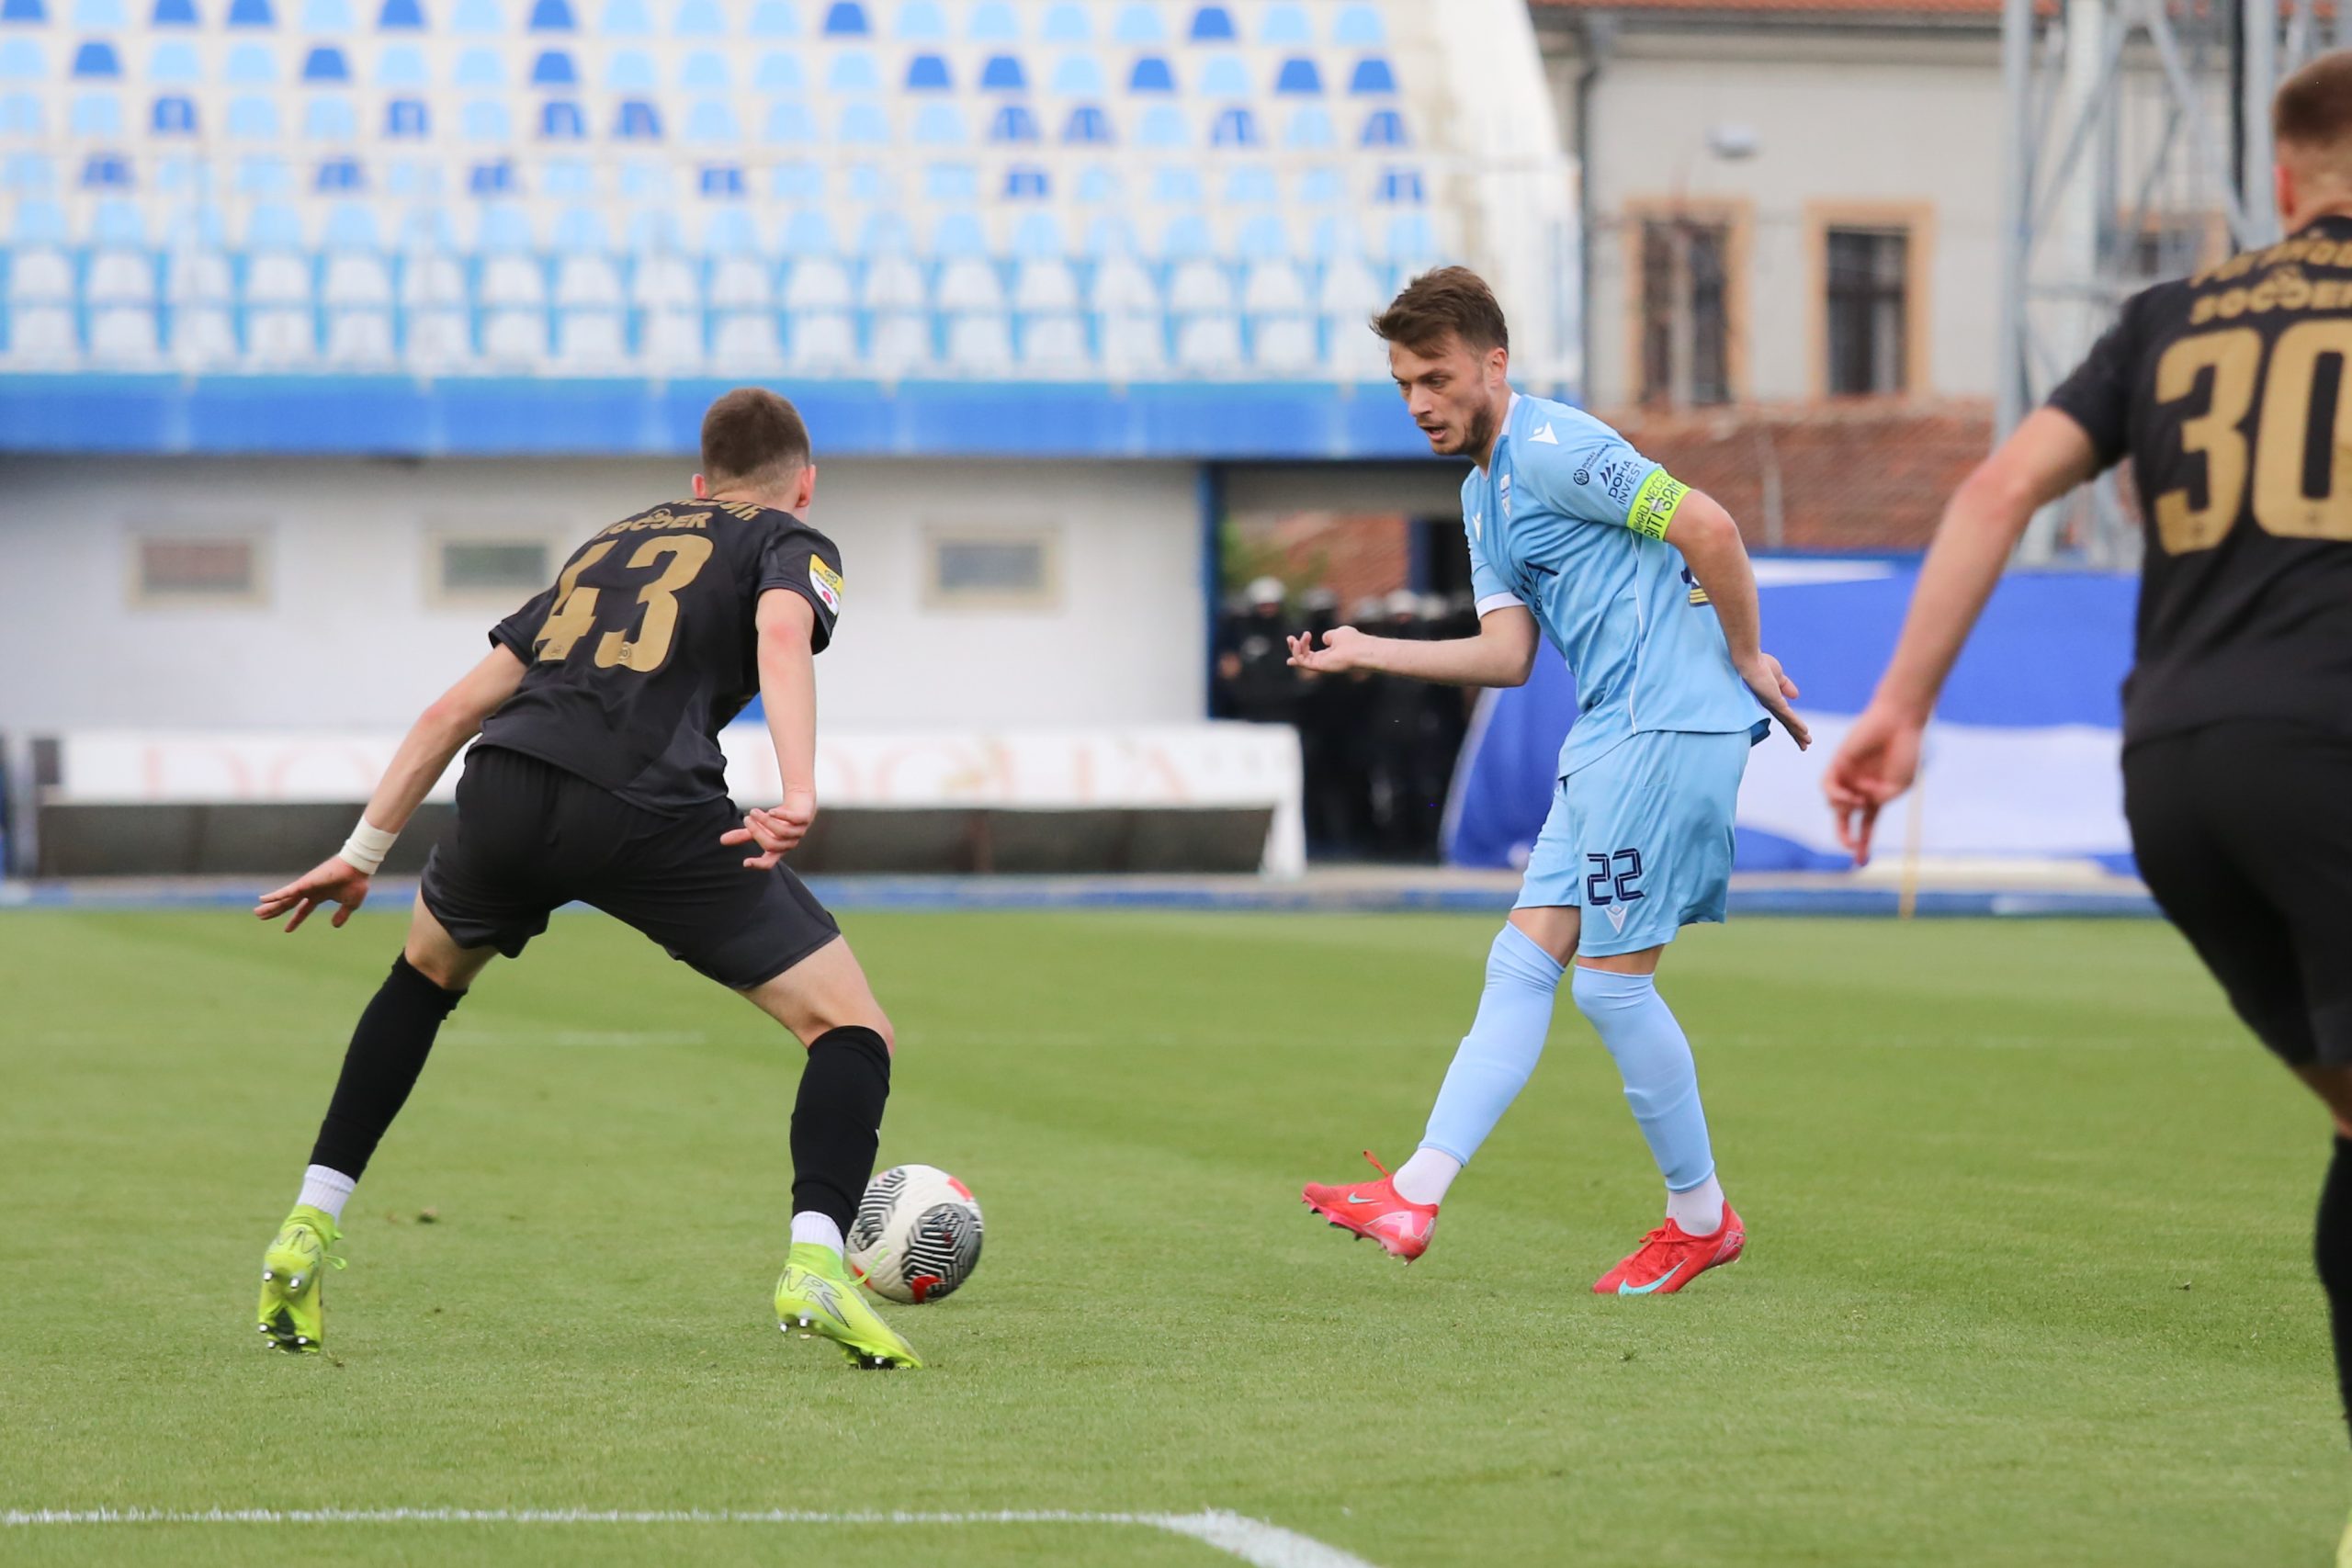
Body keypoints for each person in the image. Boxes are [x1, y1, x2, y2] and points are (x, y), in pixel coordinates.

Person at [1820, 51, 2352, 1544]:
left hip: (2177, 773)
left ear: (2284, 176)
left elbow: (1995, 491)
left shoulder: (2167, 319)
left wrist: (1899, 705)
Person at [248, 388, 922, 1370]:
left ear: (698, 485)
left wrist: (361, 854)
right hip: (646, 802)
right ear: (806, 485)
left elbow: (449, 712)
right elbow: (782, 636)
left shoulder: (608, 546)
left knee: (422, 979)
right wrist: (801, 788)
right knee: (850, 1027)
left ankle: (307, 1225)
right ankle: (817, 1261)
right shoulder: (789, 539)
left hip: (507, 784)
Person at [1292, 267, 1810, 1293]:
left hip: (1662, 725)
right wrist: (1368, 650)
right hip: (1609, 733)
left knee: (1612, 991)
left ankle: (1700, 1218)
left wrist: (1747, 657)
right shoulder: (1480, 493)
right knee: (1520, 964)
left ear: (1494, 364)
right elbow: (1507, 655)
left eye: (1436, 378)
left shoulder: (1554, 446)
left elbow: (1707, 526)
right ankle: (1415, 1192)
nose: (1420, 402)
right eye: (1404, 385)